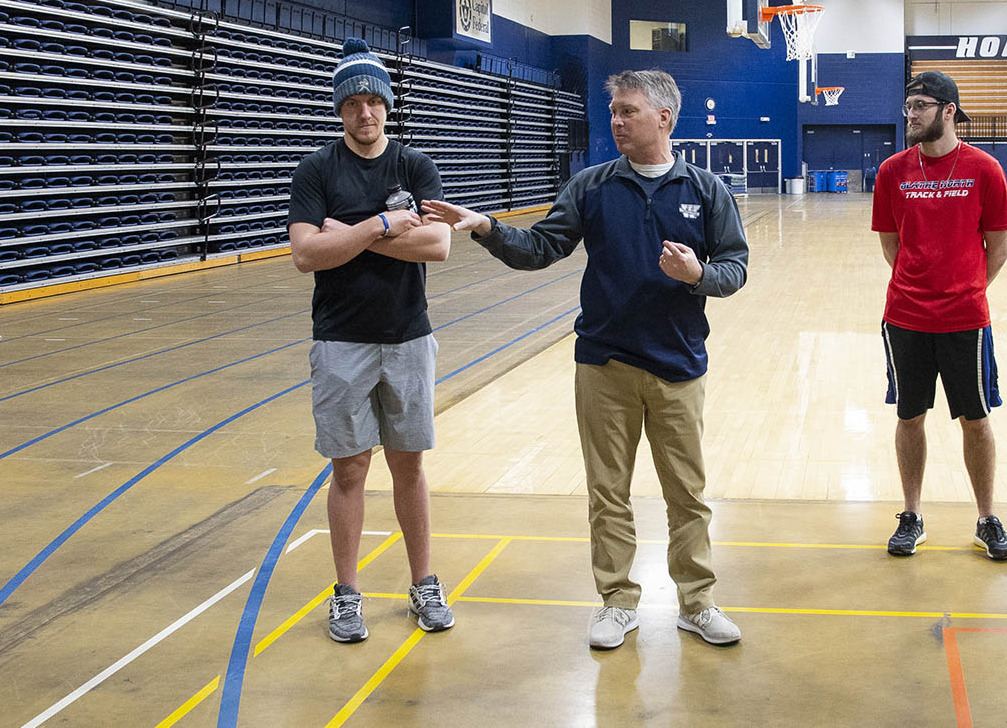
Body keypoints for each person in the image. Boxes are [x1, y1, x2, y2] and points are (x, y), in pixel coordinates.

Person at [421, 69, 749, 650]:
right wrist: (487, 228)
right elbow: (542, 248)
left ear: (664, 119)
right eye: (615, 111)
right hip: (604, 365)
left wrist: (697, 275)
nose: (616, 121)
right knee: (608, 492)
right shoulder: (592, 186)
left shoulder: (705, 190)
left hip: (678, 365)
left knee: (688, 495)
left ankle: (696, 602)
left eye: (629, 111)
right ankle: (617, 602)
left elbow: (735, 269)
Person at [288, 37, 455, 644]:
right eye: (354, 102)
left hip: (409, 337)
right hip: (340, 342)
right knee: (351, 469)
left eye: (374, 101)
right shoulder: (317, 170)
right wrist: (383, 225)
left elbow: (436, 245)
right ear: (340, 109)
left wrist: (351, 235)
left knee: (408, 466)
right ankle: (347, 594)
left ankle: (423, 584)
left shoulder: (414, 167)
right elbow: (307, 254)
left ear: (388, 105)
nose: (366, 113)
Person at [873, 71, 1007, 561]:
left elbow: (997, 249)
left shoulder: (985, 169)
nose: (910, 114)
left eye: (920, 106)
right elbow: (891, 245)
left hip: (966, 320)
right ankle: (911, 515)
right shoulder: (893, 171)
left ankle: (986, 518)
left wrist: (963, 290)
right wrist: (921, 285)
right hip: (905, 317)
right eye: (908, 106)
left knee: (975, 419)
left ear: (948, 111)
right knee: (909, 415)